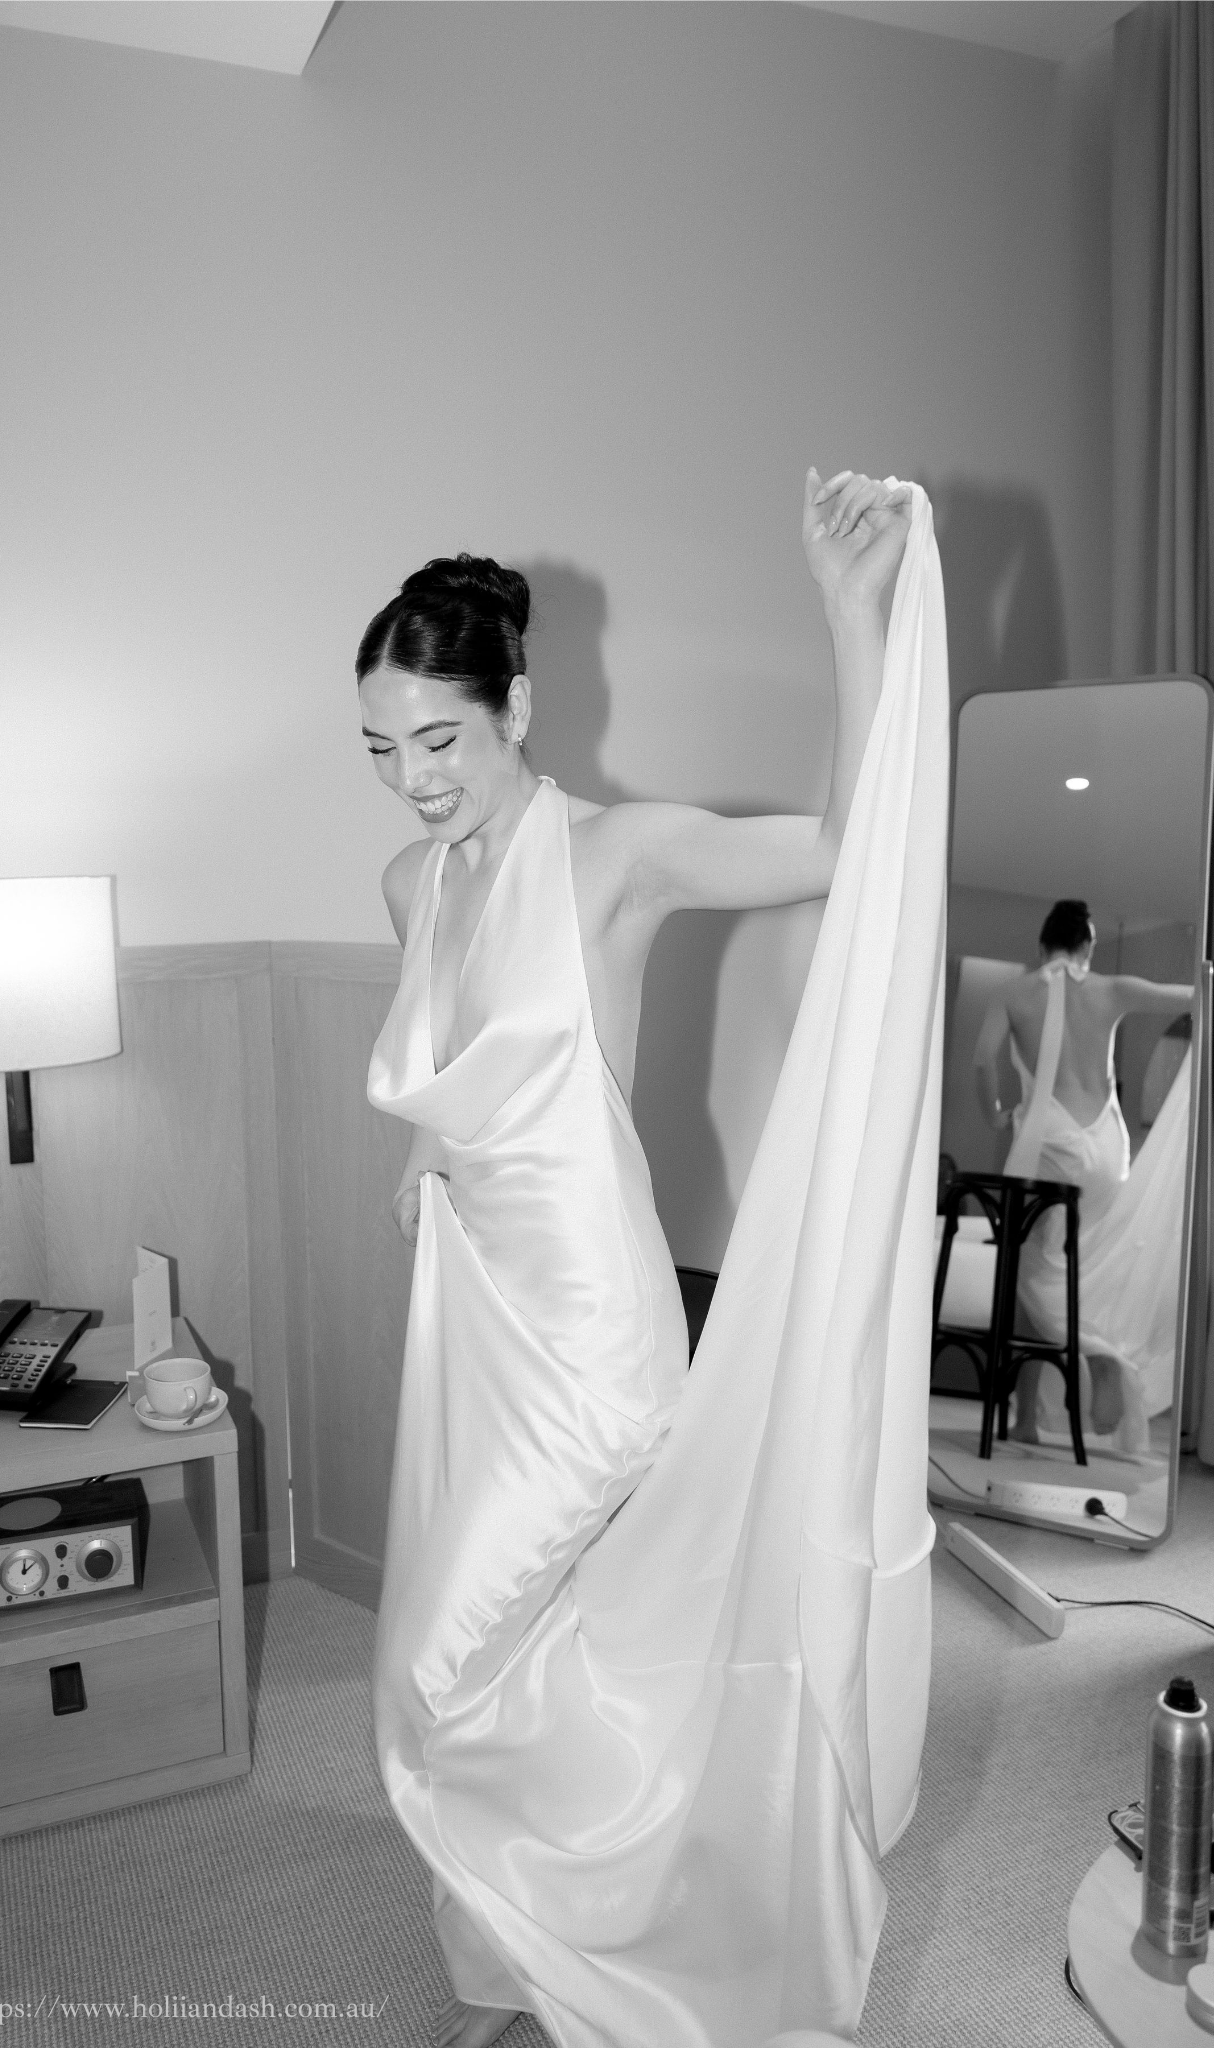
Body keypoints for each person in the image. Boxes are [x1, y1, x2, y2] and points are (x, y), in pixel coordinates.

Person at [361, 470, 915, 2048]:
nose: (412, 780)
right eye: (384, 747)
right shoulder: (412, 882)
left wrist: (849, 616)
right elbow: (456, 1054)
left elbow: (837, 845)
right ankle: (522, 1960)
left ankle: (628, 1954)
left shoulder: (618, 857)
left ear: (517, 705)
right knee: (521, 1653)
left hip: (592, 1346)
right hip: (463, 1326)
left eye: (440, 738)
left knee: (429, 1674)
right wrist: (424, 1152)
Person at [972, 901, 1192, 1451]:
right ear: (1087, 948)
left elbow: (982, 1061)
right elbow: (1192, 997)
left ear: (1042, 946)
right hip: (1105, 1146)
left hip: (1051, 1141)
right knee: (1082, 1261)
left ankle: (1100, 1353)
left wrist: (997, 1112)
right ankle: (1035, 1407)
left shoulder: (1015, 993)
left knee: (1032, 1271)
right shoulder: (1111, 988)